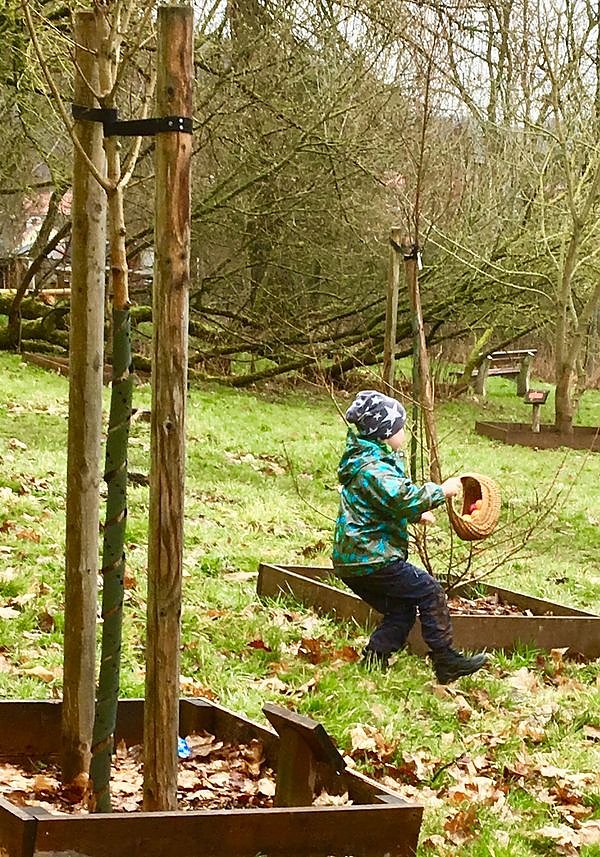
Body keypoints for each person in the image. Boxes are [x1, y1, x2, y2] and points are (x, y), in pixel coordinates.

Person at [332, 389, 487, 684]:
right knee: (430, 591)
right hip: (371, 557)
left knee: (401, 609)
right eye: (399, 427)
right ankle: (446, 659)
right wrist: (440, 492)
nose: (404, 432)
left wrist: (414, 514)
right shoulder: (373, 468)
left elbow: (380, 503)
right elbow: (399, 496)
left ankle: (375, 659)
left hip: (355, 559)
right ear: (384, 432)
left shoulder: (367, 461)